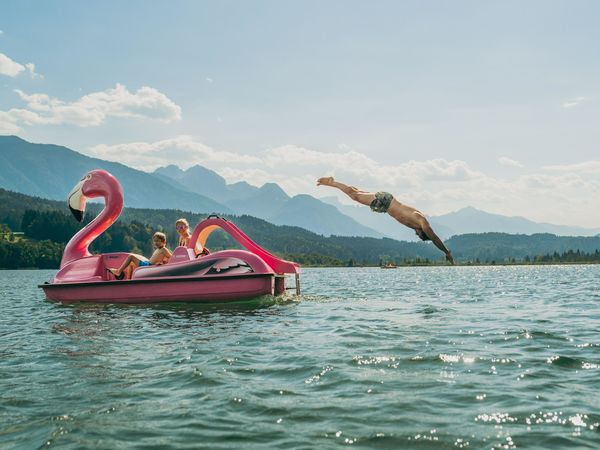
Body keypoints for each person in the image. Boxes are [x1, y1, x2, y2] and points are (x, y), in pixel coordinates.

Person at [317, 177, 454, 264]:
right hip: (386, 202)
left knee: (357, 193)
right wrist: (447, 252)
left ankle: (333, 182)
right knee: (355, 196)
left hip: (385, 204)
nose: (416, 234)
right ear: (423, 232)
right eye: (419, 235)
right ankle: (332, 182)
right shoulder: (421, 221)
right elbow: (435, 238)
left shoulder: (414, 224)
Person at [108, 232, 172, 280]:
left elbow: (171, 257)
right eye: (154, 241)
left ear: (164, 241)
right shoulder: (159, 249)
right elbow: (160, 258)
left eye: (158, 241)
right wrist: (162, 262)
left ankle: (118, 271)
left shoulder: (163, 249)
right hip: (148, 263)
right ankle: (128, 279)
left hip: (148, 266)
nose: (155, 243)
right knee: (131, 263)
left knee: (131, 257)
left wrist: (164, 264)